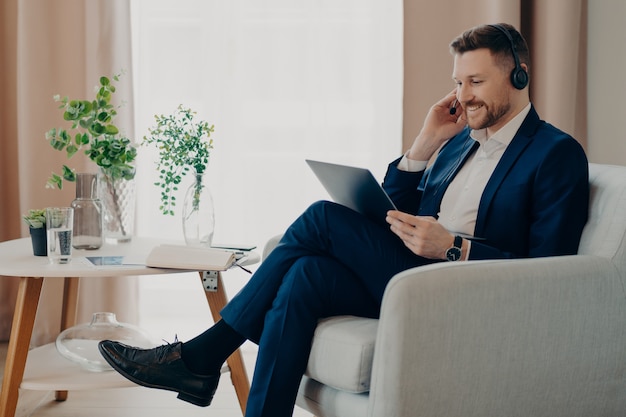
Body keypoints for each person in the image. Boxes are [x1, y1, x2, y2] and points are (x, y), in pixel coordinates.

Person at [98, 23, 589, 417]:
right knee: (304, 276)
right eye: (458, 82)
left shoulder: (555, 153)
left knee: (321, 219)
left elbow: (550, 268)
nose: (464, 95)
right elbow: (393, 209)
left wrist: (453, 248)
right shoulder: (458, 141)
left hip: (464, 288)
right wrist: (423, 144)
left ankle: (202, 357)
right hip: (414, 275)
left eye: (476, 82)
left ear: (519, 75)